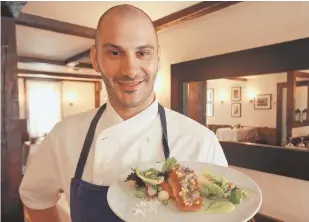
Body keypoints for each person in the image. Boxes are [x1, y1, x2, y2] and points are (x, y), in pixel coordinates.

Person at [19, 4, 228, 222]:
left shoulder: (201, 141)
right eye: (115, 52)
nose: (130, 70)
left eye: (143, 53)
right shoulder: (64, 135)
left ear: (157, 58)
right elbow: (36, 198)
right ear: (95, 58)